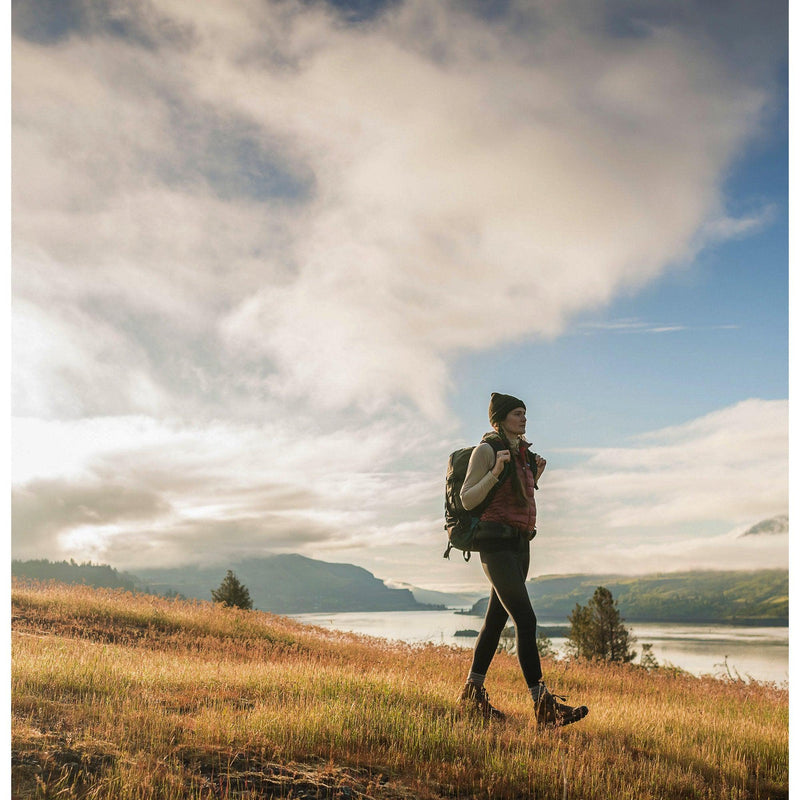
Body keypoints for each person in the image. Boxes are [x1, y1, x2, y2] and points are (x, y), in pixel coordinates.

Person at [458, 392, 589, 727]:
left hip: (520, 546)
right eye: (517, 413)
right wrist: (496, 468)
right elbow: (469, 498)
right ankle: (543, 708)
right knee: (526, 621)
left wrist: (536, 475)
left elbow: (514, 500)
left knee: (495, 622)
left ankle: (471, 695)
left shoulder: (524, 455)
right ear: (500, 418)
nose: (524, 418)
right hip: (495, 545)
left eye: (525, 413)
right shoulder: (487, 450)